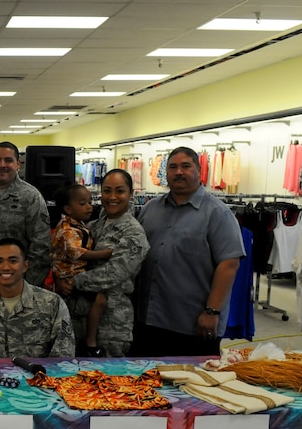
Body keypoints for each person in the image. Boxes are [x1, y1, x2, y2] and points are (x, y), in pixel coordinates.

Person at [132, 146, 245, 357]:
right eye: (172, 167)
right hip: (148, 319)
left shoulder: (218, 213)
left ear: (199, 170)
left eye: (186, 166)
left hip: (192, 324)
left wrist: (212, 311)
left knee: (190, 385)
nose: (178, 172)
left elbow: (229, 265)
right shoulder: (151, 209)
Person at [55, 170, 150, 357]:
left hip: (110, 327)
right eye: (107, 191)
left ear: (131, 194)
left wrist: (73, 281)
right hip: (77, 320)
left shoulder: (133, 233)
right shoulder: (92, 226)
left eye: (119, 191)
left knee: (108, 383)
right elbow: (68, 257)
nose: (112, 197)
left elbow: (113, 274)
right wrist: (60, 278)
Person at [0, 238, 75, 359]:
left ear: (25, 266)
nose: (5, 267)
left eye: (13, 261)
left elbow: (63, 357)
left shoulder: (52, 304)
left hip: (41, 376)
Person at [0, 141, 52, 287]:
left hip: (18, 283)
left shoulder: (30, 197)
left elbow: (41, 247)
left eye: (8, 160)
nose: (2, 164)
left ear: (18, 164)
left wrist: (27, 287)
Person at [51, 184, 113, 357]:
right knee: (100, 299)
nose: (89, 207)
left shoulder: (80, 225)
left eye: (90, 202)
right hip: (70, 275)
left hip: (76, 275)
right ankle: (91, 342)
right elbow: (75, 252)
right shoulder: (67, 229)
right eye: (82, 203)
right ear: (68, 209)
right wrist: (104, 254)